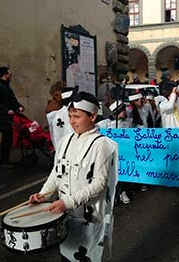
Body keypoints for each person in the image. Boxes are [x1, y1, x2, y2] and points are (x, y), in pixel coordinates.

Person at [29, 91, 118, 262]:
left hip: (88, 219)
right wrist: (44, 194)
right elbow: (57, 172)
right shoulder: (66, 140)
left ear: (92, 116)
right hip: (65, 215)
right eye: (70, 116)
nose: (71, 121)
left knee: (86, 257)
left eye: (76, 116)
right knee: (66, 256)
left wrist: (67, 202)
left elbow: (99, 184)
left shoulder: (102, 145)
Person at [0, 67, 24, 168]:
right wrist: (6, 110)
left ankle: (4, 160)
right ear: (5, 75)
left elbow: (12, 100)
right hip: (2, 118)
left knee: (7, 139)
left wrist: (19, 106)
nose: (11, 76)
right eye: (10, 74)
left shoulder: (6, 87)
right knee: (6, 139)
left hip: (8, 117)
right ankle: (3, 161)